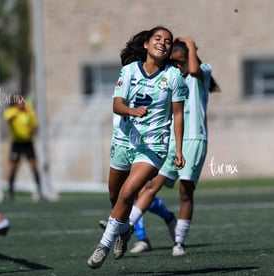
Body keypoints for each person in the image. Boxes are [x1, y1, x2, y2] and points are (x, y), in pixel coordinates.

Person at [87, 26, 187, 269]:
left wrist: (179, 150)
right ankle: (125, 229)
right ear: (146, 44)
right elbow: (117, 104)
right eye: (157, 38)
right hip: (124, 140)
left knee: (127, 193)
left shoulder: (174, 76)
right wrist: (131, 111)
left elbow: (178, 114)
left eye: (167, 40)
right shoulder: (129, 70)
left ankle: (103, 245)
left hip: (153, 146)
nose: (163, 43)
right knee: (115, 197)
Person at [128, 37, 220, 256]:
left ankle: (179, 242)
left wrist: (190, 45)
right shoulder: (171, 81)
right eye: (174, 62)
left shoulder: (202, 73)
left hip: (194, 140)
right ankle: (126, 226)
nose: (178, 66)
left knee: (184, 192)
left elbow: (195, 68)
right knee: (149, 186)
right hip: (172, 141)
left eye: (181, 62)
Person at [3, 97, 43, 201]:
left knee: (34, 166)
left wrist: (32, 130)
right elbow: (7, 119)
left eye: (23, 101)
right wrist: (17, 112)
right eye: (19, 101)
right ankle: (10, 194)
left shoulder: (29, 112)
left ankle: (40, 192)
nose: (22, 103)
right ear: (16, 102)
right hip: (17, 143)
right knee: (13, 168)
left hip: (28, 143)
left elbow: (35, 125)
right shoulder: (11, 111)